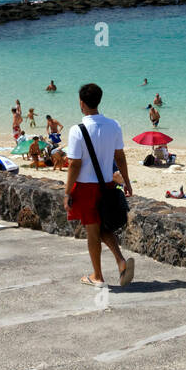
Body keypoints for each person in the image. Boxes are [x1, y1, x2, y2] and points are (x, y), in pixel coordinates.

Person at [65, 83, 134, 288]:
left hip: (86, 188)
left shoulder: (77, 130)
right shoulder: (114, 125)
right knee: (102, 227)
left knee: (93, 233)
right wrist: (127, 181)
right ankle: (120, 261)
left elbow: (74, 164)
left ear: (81, 103)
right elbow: (120, 157)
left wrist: (67, 192)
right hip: (107, 185)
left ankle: (97, 276)